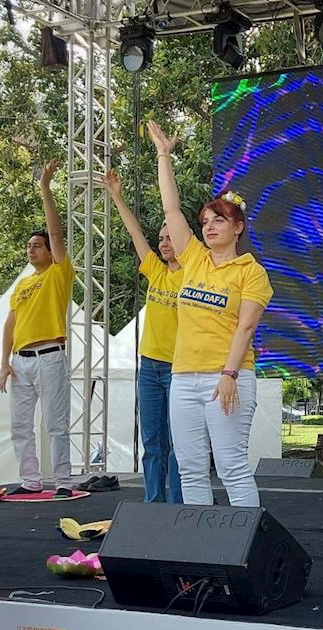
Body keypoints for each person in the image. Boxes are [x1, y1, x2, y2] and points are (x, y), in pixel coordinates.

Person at [148, 121, 273, 507]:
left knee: (232, 467)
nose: (209, 226)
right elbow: (171, 207)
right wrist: (163, 155)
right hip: (184, 378)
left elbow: (246, 327)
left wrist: (229, 375)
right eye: (205, 221)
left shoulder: (251, 271)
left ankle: (245, 541)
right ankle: (199, 541)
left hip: (228, 376)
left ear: (238, 227)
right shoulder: (194, 258)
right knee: (190, 469)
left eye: (219, 220)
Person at [105, 169, 184, 503]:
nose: (164, 243)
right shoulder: (155, 271)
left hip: (179, 368)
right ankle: (153, 504)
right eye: (161, 238)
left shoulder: (194, 276)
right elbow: (135, 233)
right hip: (149, 366)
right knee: (152, 443)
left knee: (178, 444)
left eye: (170, 237)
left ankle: (179, 506)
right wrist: (117, 196)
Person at [0, 160, 73, 498]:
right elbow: (10, 322)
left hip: (49, 355)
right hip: (21, 360)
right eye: (28, 246)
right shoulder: (23, 283)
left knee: (55, 423)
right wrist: (4, 362)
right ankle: (30, 479)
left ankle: (63, 481)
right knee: (20, 425)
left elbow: (55, 232)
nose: (32, 249)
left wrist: (45, 188)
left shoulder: (58, 273)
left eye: (37, 245)